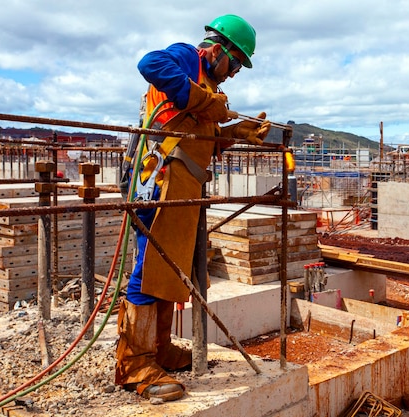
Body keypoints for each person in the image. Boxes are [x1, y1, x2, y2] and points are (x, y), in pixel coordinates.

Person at [115, 14, 270, 402]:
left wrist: (234, 133)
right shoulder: (188, 58)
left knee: (169, 271)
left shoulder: (209, 85)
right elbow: (149, 64)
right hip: (162, 181)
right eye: (234, 63)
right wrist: (206, 102)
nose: (234, 74)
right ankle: (134, 364)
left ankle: (160, 348)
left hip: (185, 184)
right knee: (150, 270)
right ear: (218, 50)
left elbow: (201, 137)